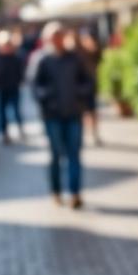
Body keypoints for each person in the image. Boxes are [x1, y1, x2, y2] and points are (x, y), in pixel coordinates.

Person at [34, 22, 93, 209]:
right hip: (53, 116)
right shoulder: (42, 60)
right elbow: (35, 87)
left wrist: (79, 94)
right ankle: (56, 191)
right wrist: (48, 97)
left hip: (73, 113)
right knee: (56, 155)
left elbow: (89, 82)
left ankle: (75, 192)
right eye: (53, 36)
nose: (57, 40)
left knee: (74, 155)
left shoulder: (75, 59)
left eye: (59, 35)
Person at [0, 29, 25, 142]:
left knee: (16, 109)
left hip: (13, 87)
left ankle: (20, 128)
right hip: (1, 88)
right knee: (2, 112)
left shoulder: (16, 57)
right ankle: (5, 132)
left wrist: (20, 81)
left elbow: (20, 71)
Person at [76, 29, 104, 146]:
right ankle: (84, 134)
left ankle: (94, 134)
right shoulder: (77, 54)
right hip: (80, 88)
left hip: (91, 86)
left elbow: (100, 63)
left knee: (92, 111)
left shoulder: (95, 52)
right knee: (83, 113)